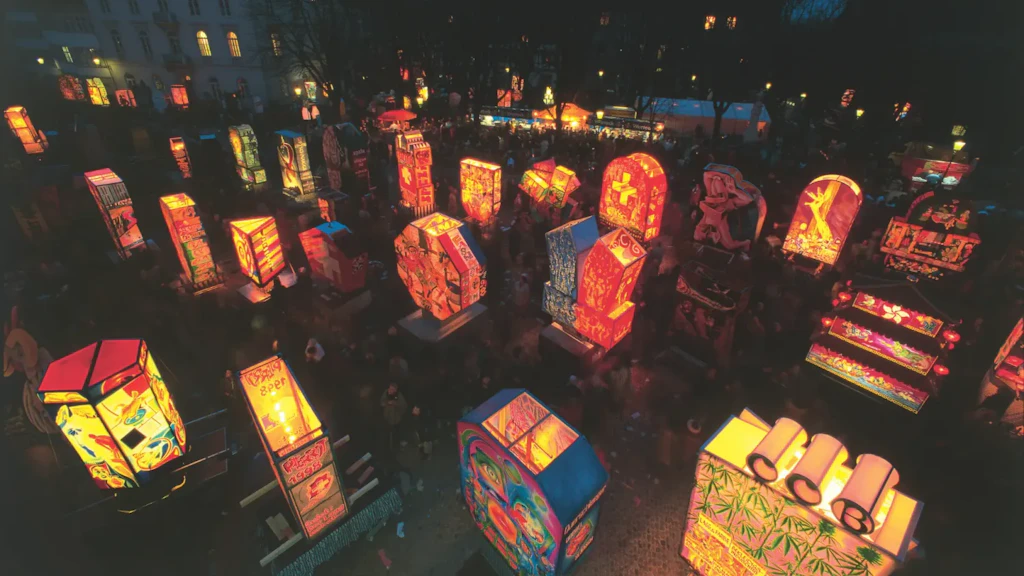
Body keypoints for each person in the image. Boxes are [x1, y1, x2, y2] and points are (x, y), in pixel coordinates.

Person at [381, 383, 408, 451]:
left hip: (397, 418)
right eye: (389, 388)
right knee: (386, 434)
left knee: (396, 434)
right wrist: (387, 402)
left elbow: (404, 405)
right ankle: (387, 448)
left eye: (392, 389)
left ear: (395, 390)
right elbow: (381, 402)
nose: (390, 390)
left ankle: (397, 447)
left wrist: (395, 403)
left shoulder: (399, 395)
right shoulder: (386, 392)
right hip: (387, 418)